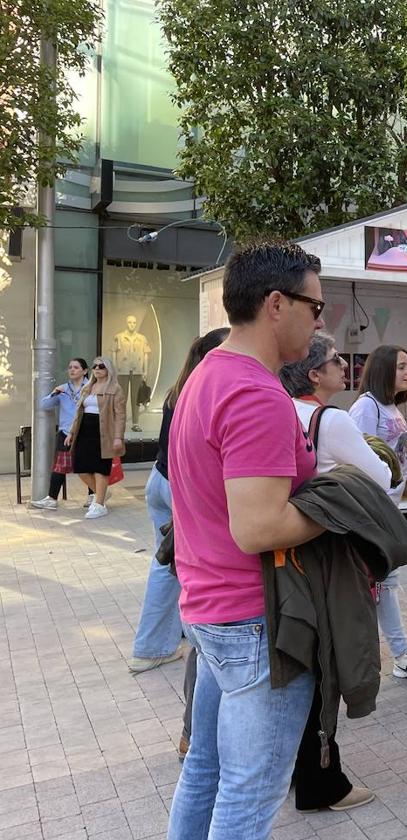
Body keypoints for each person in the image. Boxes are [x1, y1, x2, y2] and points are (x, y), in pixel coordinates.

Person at [166, 241, 327, 840]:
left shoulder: (209, 374)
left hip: (213, 613)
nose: (321, 319)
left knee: (205, 772)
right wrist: (337, 510)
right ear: (277, 304)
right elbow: (257, 527)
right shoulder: (257, 393)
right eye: (316, 306)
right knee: (249, 793)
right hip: (256, 622)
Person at [280, 333, 407, 815]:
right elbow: (385, 477)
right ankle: (322, 779)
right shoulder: (334, 418)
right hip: (331, 552)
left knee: (300, 664)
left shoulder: (284, 410)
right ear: (313, 373)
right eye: (333, 361)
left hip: (287, 553)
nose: (343, 366)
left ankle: (298, 769)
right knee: (331, 659)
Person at [130, 328, 230, 677]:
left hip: (160, 481)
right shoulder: (205, 390)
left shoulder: (180, 388)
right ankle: (160, 645)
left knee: (167, 564)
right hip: (178, 487)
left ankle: (159, 644)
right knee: (181, 567)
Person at [347, 344, 407, 675]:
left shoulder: (390, 407)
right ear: (383, 369)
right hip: (374, 510)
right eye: (401, 366)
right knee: (385, 583)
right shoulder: (367, 408)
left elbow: (393, 449)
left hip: (389, 508)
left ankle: (394, 656)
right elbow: (361, 458)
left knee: (383, 585)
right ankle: (401, 655)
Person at [65, 356, 126, 519]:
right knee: (81, 467)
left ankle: (99, 504)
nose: (97, 369)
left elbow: (120, 415)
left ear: (108, 370)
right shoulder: (88, 387)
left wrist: (118, 437)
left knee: (100, 468)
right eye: (95, 366)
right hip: (84, 431)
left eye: (102, 366)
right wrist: (71, 432)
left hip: (104, 432)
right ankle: (102, 494)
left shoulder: (115, 389)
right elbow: (78, 413)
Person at [30, 357, 89, 510]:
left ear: (84, 371)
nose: (72, 370)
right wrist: (55, 393)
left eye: (76, 367)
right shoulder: (63, 389)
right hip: (65, 433)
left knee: (88, 465)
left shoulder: (90, 388)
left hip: (85, 432)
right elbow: (44, 405)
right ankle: (51, 499)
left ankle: (93, 496)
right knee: (59, 467)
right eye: (70, 367)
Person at [113, 314, 152, 432]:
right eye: (130, 322)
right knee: (121, 398)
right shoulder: (119, 337)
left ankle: (135, 423)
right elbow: (114, 353)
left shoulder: (142, 338)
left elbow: (146, 354)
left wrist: (145, 370)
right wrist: (115, 369)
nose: (132, 325)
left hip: (137, 371)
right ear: (126, 323)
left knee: (137, 398)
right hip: (122, 371)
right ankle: (121, 423)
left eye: (134, 322)